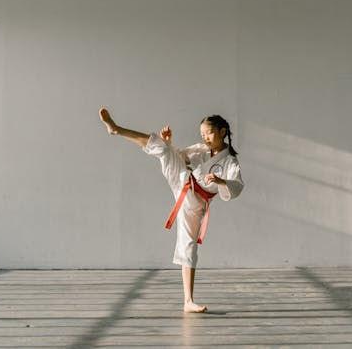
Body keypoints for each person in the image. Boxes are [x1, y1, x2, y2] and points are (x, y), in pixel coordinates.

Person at [99, 108, 244, 313]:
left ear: (222, 132)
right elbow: (180, 157)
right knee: (163, 148)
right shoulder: (201, 149)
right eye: (202, 134)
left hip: (195, 202)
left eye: (209, 133)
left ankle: (188, 301)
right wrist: (168, 143)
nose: (205, 138)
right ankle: (117, 129)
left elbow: (237, 186)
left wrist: (222, 181)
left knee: (189, 245)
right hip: (183, 180)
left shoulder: (230, 161)